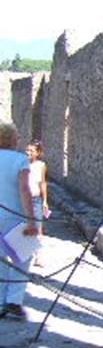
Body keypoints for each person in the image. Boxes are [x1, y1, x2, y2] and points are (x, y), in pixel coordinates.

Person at [0, 122, 39, 320]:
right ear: (12, 139)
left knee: (1, 260)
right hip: (14, 216)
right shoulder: (20, 159)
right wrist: (31, 220)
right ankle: (14, 300)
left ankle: (0, 302)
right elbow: (25, 190)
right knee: (22, 257)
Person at [25, 141, 49, 236]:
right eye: (27, 150)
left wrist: (45, 201)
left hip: (36, 200)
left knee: (38, 228)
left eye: (32, 151)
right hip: (23, 200)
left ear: (38, 153)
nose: (28, 153)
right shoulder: (21, 163)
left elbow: (43, 183)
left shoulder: (41, 165)